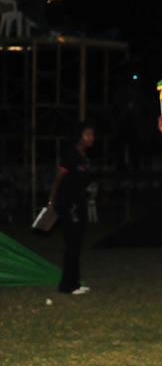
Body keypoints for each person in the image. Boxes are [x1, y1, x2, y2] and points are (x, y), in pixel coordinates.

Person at [48, 122, 94, 294]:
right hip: (68, 205)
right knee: (72, 245)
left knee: (76, 245)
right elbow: (58, 178)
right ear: (79, 136)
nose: (91, 138)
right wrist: (52, 201)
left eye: (92, 134)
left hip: (79, 204)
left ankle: (74, 282)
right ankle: (67, 285)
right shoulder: (71, 154)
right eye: (87, 134)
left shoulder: (83, 156)